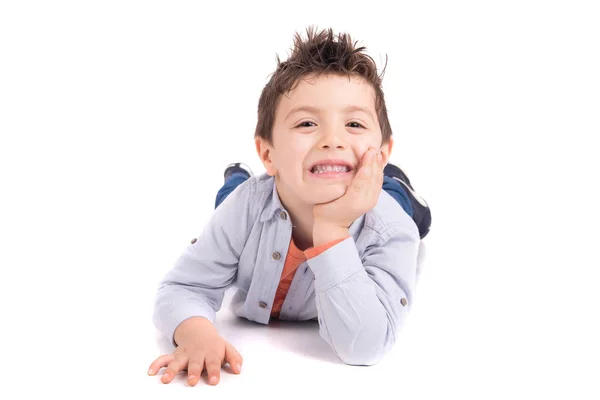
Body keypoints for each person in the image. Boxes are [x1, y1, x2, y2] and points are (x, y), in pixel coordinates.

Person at [148, 26, 432, 387]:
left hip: (387, 198)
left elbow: (366, 345)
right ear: (268, 153)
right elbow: (182, 286)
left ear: (383, 151)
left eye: (355, 124)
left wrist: (331, 231)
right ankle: (236, 178)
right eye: (307, 123)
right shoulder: (247, 207)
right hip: (261, 191)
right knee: (235, 198)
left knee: (405, 206)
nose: (333, 140)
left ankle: (395, 181)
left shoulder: (392, 229)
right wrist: (195, 331)